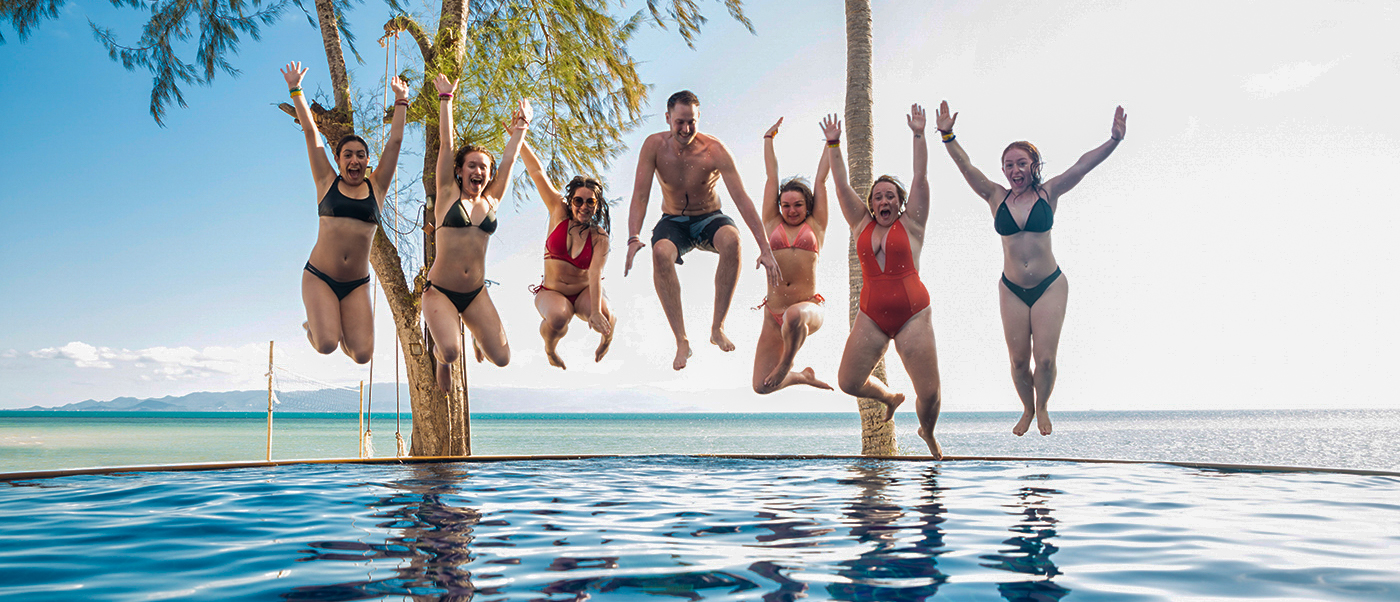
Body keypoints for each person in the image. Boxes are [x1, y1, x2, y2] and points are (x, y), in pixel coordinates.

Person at [936, 101, 1126, 436]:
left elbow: (1082, 166)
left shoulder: (1048, 193)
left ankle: (1042, 407)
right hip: (1012, 288)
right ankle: (1027, 407)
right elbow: (966, 168)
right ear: (1003, 170)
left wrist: (1113, 140)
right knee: (1019, 361)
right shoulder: (996, 196)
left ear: (1034, 165)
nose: (1015, 169)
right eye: (1009, 165)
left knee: (1046, 359)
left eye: (1022, 163)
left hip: (1049, 285)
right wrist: (948, 136)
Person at [624, 90, 782, 371]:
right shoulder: (654, 146)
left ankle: (717, 328)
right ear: (667, 118)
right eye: (680, 122)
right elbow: (640, 195)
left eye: (691, 122)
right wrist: (633, 236)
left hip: (709, 217)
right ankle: (681, 340)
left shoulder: (715, 150)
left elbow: (742, 199)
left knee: (732, 241)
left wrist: (765, 248)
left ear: (699, 118)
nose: (686, 129)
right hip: (673, 220)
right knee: (660, 253)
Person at [824, 105, 943, 458]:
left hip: (913, 315)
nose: (884, 200)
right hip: (872, 316)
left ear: (901, 202)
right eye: (878, 196)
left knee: (930, 393)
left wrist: (918, 134)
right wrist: (834, 144)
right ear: (872, 204)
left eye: (890, 195)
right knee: (848, 382)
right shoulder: (861, 224)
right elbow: (841, 185)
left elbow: (920, 177)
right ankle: (889, 397)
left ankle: (927, 432)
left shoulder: (912, 224)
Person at [283, 61, 408, 364]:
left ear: (367, 162)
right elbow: (311, 134)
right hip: (320, 277)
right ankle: (314, 327)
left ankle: (335, 325)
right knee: (326, 343)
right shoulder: (326, 182)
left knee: (362, 355)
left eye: (360, 156)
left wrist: (401, 101)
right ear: (338, 160)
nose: (354, 160)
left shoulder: (377, 187)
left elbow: (395, 142)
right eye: (348, 155)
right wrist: (296, 90)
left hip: (356, 284)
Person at [422, 74, 528, 389]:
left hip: (475, 293)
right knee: (451, 351)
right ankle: (441, 357)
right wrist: (446, 98)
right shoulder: (447, 194)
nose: (478, 171)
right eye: (472, 165)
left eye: (483, 167)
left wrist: (521, 128)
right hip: (440, 290)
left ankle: (476, 335)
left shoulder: (491, 200)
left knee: (502, 358)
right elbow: (447, 144)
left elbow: (509, 159)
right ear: (459, 170)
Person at [518, 140, 617, 369]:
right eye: (578, 201)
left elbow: (595, 274)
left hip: (583, 292)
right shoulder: (558, 211)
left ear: (597, 205)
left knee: (606, 316)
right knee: (558, 319)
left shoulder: (599, 236)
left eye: (590, 202)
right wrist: (519, 138)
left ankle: (607, 341)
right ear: (571, 201)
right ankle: (550, 350)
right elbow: (536, 172)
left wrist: (595, 312)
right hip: (552, 292)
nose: (584, 206)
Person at [752, 117, 833, 394]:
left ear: (807, 205)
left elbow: (821, 180)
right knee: (761, 387)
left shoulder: (816, 225)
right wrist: (768, 139)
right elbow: (771, 178)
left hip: (807, 311)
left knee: (795, 315)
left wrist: (831, 142)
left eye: (798, 205)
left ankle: (787, 364)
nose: (791, 210)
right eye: (785, 205)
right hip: (773, 314)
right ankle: (801, 376)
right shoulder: (771, 222)